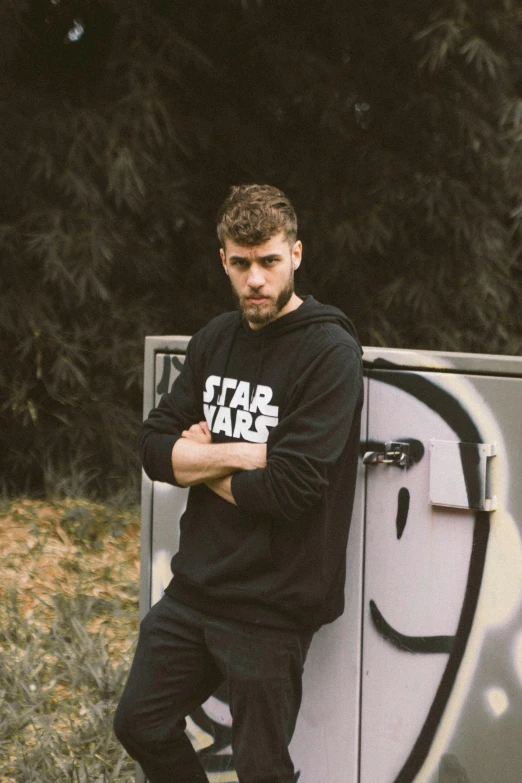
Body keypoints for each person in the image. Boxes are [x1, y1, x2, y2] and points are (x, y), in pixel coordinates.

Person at [113, 184, 364, 783]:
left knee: (262, 772)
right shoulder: (215, 340)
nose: (255, 279)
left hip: (273, 606)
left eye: (269, 261)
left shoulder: (329, 352)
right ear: (223, 259)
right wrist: (241, 455)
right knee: (139, 724)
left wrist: (199, 461)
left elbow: (290, 489)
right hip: (197, 589)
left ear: (296, 255)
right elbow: (153, 448)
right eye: (241, 263)